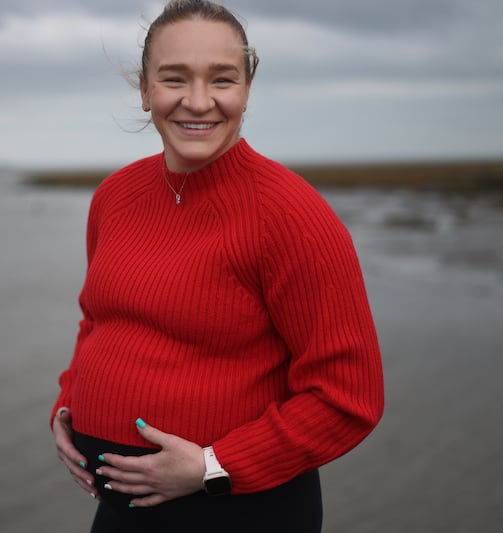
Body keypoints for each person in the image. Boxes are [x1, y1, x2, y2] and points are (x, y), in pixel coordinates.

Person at [51, 1, 384, 531]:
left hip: (241, 511)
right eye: (174, 78)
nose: (199, 101)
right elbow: (97, 320)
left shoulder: (292, 215)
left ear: (248, 89)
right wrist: (69, 404)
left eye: (222, 79)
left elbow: (348, 399)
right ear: (144, 89)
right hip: (122, 511)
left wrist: (212, 467)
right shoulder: (114, 196)